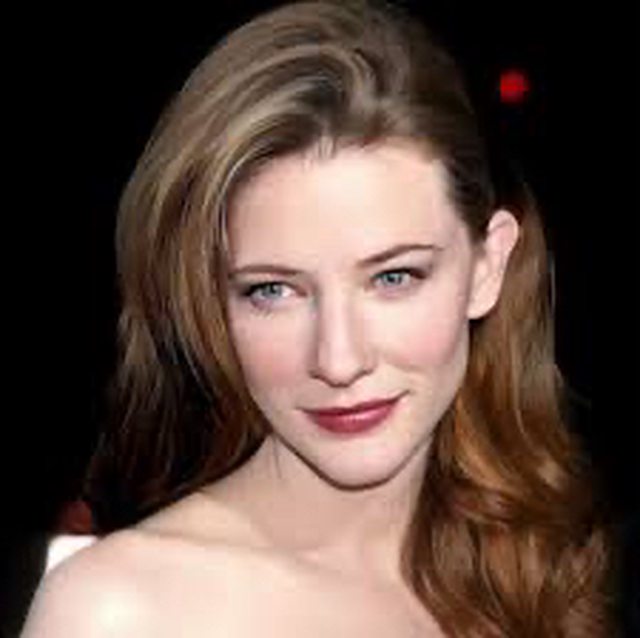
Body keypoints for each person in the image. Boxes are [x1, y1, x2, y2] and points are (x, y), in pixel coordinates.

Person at [22, 1, 617, 635]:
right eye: (273, 291)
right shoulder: (121, 610)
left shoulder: (532, 562)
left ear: (487, 267)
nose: (338, 360)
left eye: (394, 278)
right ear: (210, 303)